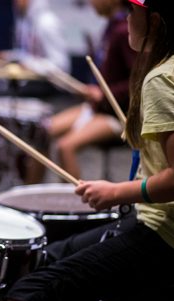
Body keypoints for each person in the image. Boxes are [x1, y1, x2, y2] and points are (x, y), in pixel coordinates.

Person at [0, 0, 174, 301]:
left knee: (34, 291)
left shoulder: (164, 79)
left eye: (132, 12)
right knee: (43, 257)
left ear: (155, 23)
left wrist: (117, 192)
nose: (125, 18)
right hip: (170, 224)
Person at [32, 0, 136, 181]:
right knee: (42, 131)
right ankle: (30, 192)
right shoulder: (111, 27)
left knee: (66, 147)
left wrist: (104, 93)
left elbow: (137, 82)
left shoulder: (123, 31)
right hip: (99, 107)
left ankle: (75, 206)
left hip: (119, 114)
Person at [11, 0, 71, 73]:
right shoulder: (26, 22)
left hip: (48, 83)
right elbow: (27, 54)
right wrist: (9, 57)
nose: (16, 2)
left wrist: (30, 65)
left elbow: (61, 65)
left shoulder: (47, 23)